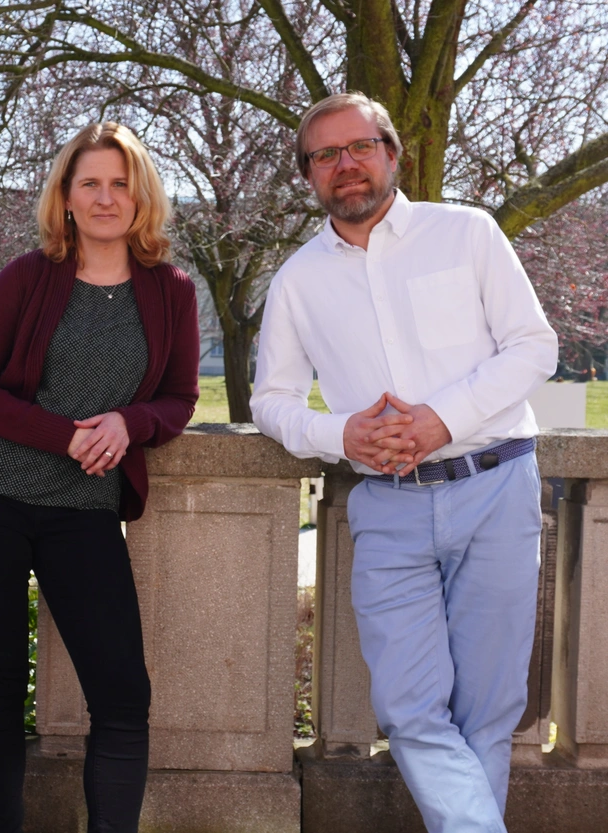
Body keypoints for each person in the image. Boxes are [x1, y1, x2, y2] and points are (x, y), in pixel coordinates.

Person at [250, 93, 558, 832]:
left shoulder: (468, 234)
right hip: (386, 505)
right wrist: (342, 436)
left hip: (496, 485)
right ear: (309, 175)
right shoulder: (297, 279)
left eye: (359, 146)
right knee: (408, 706)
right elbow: (272, 399)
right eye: (325, 155)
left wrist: (439, 418)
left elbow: (532, 346)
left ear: (393, 153)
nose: (345, 165)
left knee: (489, 710)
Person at [0, 122, 200, 833]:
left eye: (121, 183)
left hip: (83, 510)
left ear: (143, 196)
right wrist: (67, 433)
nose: (107, 196)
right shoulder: (30, 275)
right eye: (91, 182)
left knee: (121, 695)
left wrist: (129, 423)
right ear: (67, 195)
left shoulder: (171, 290)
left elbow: (179, 398)